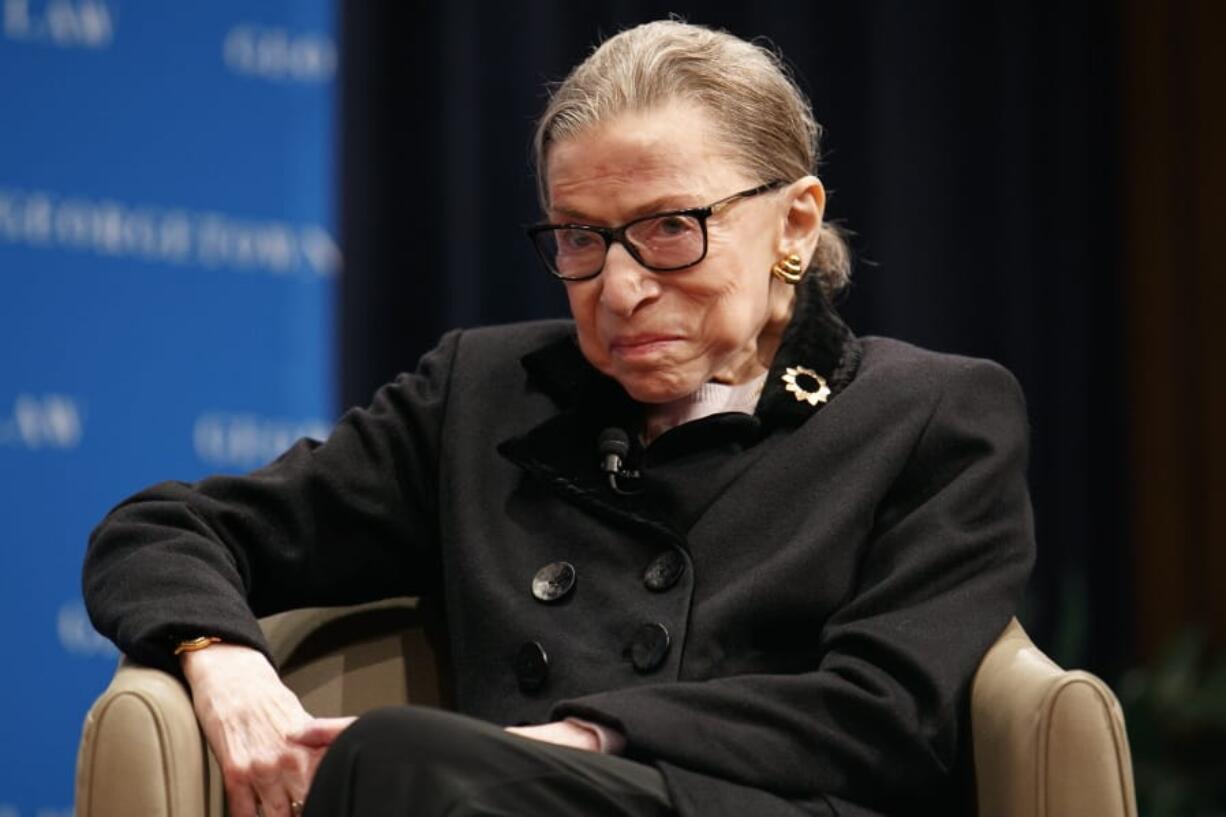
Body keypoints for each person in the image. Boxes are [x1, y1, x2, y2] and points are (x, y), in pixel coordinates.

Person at [83, 19, 1034, 817]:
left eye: (671, 227)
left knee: (405, 764)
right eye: (581, 237)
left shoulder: (929, 412)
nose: (620, 289)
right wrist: (224, 657)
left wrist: (585, 737)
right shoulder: (484, 394)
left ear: (793, 222)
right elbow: (165, 528)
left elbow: (887, 714)